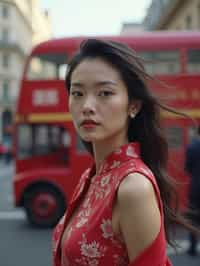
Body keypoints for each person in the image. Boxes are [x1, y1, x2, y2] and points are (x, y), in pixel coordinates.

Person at [52, 39, 196, 266]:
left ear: (134, 106)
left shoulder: (133, 187)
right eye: (77, 93)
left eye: (105, 93)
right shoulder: (90, 177)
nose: (87, 105)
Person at [185, 125, 200, 256]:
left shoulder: (192, 147)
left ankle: (192, 247)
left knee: (193, 217)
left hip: (196, 187)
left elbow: (188, 168)